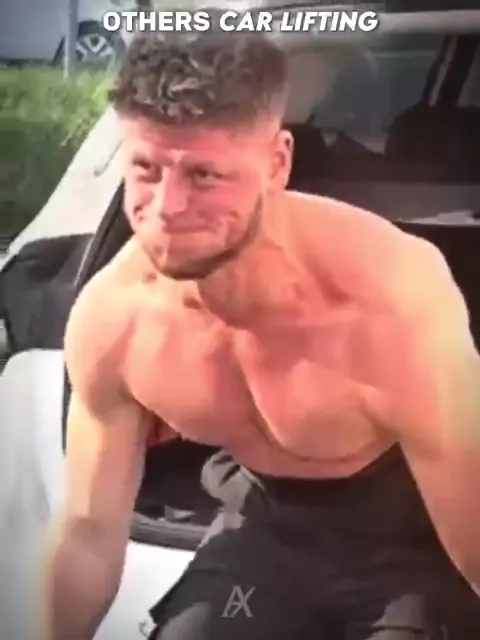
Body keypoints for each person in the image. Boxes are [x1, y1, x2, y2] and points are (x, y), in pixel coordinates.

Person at [43, 30, 480, 640]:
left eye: (203, 175)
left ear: (277, 163)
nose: (167, 207)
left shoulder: (386, 299)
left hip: (416, 539)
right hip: (265, 529)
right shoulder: (116, 318)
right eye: (146, 169)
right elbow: (90, 532)